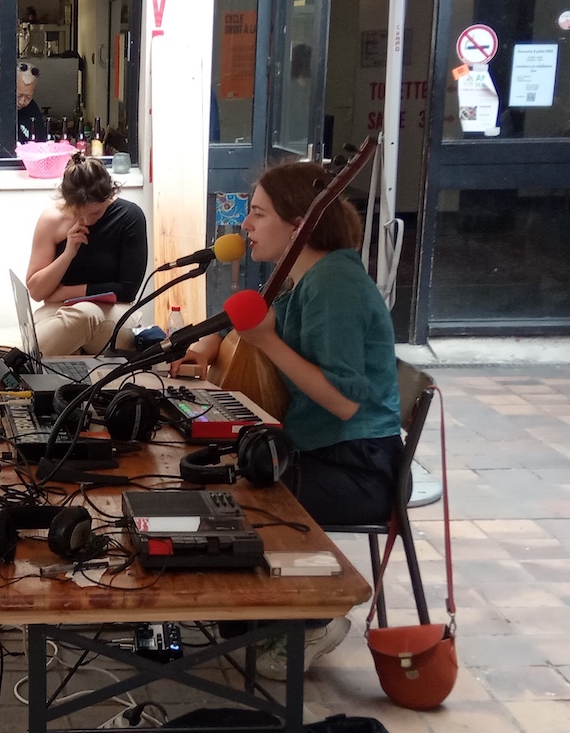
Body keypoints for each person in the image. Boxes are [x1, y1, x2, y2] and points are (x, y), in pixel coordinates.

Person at [176, 160, 403, 675]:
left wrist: (266, 342)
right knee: (213, 474)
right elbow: (262, 315)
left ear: (300, 223)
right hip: (324, 451)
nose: (246, 225)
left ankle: (311, 621)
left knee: (234, 496)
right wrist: (210, 342)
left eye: (258, 213)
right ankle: (254, 619)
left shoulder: (334, 285)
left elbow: (344, 402)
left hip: (357, 465)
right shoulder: (308, 277)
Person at [25, 155, 147, 356]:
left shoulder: (129, 216)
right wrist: (68, 254)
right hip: (60, 311)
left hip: (114, 311)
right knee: (67, 340)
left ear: (109, 196)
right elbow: (37, 292)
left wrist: (64, 293)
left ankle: (18, 364)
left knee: (85, 314)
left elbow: (127, 290)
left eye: (95, 213)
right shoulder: (52, 220)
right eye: (77, 213)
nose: (87, 221)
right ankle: (26, 362)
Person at [0, 62, 50, 143]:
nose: (22, 102)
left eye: (28, 97)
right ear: (9, 89)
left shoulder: (32, 109)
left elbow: (40, 141)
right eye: (18, 96)